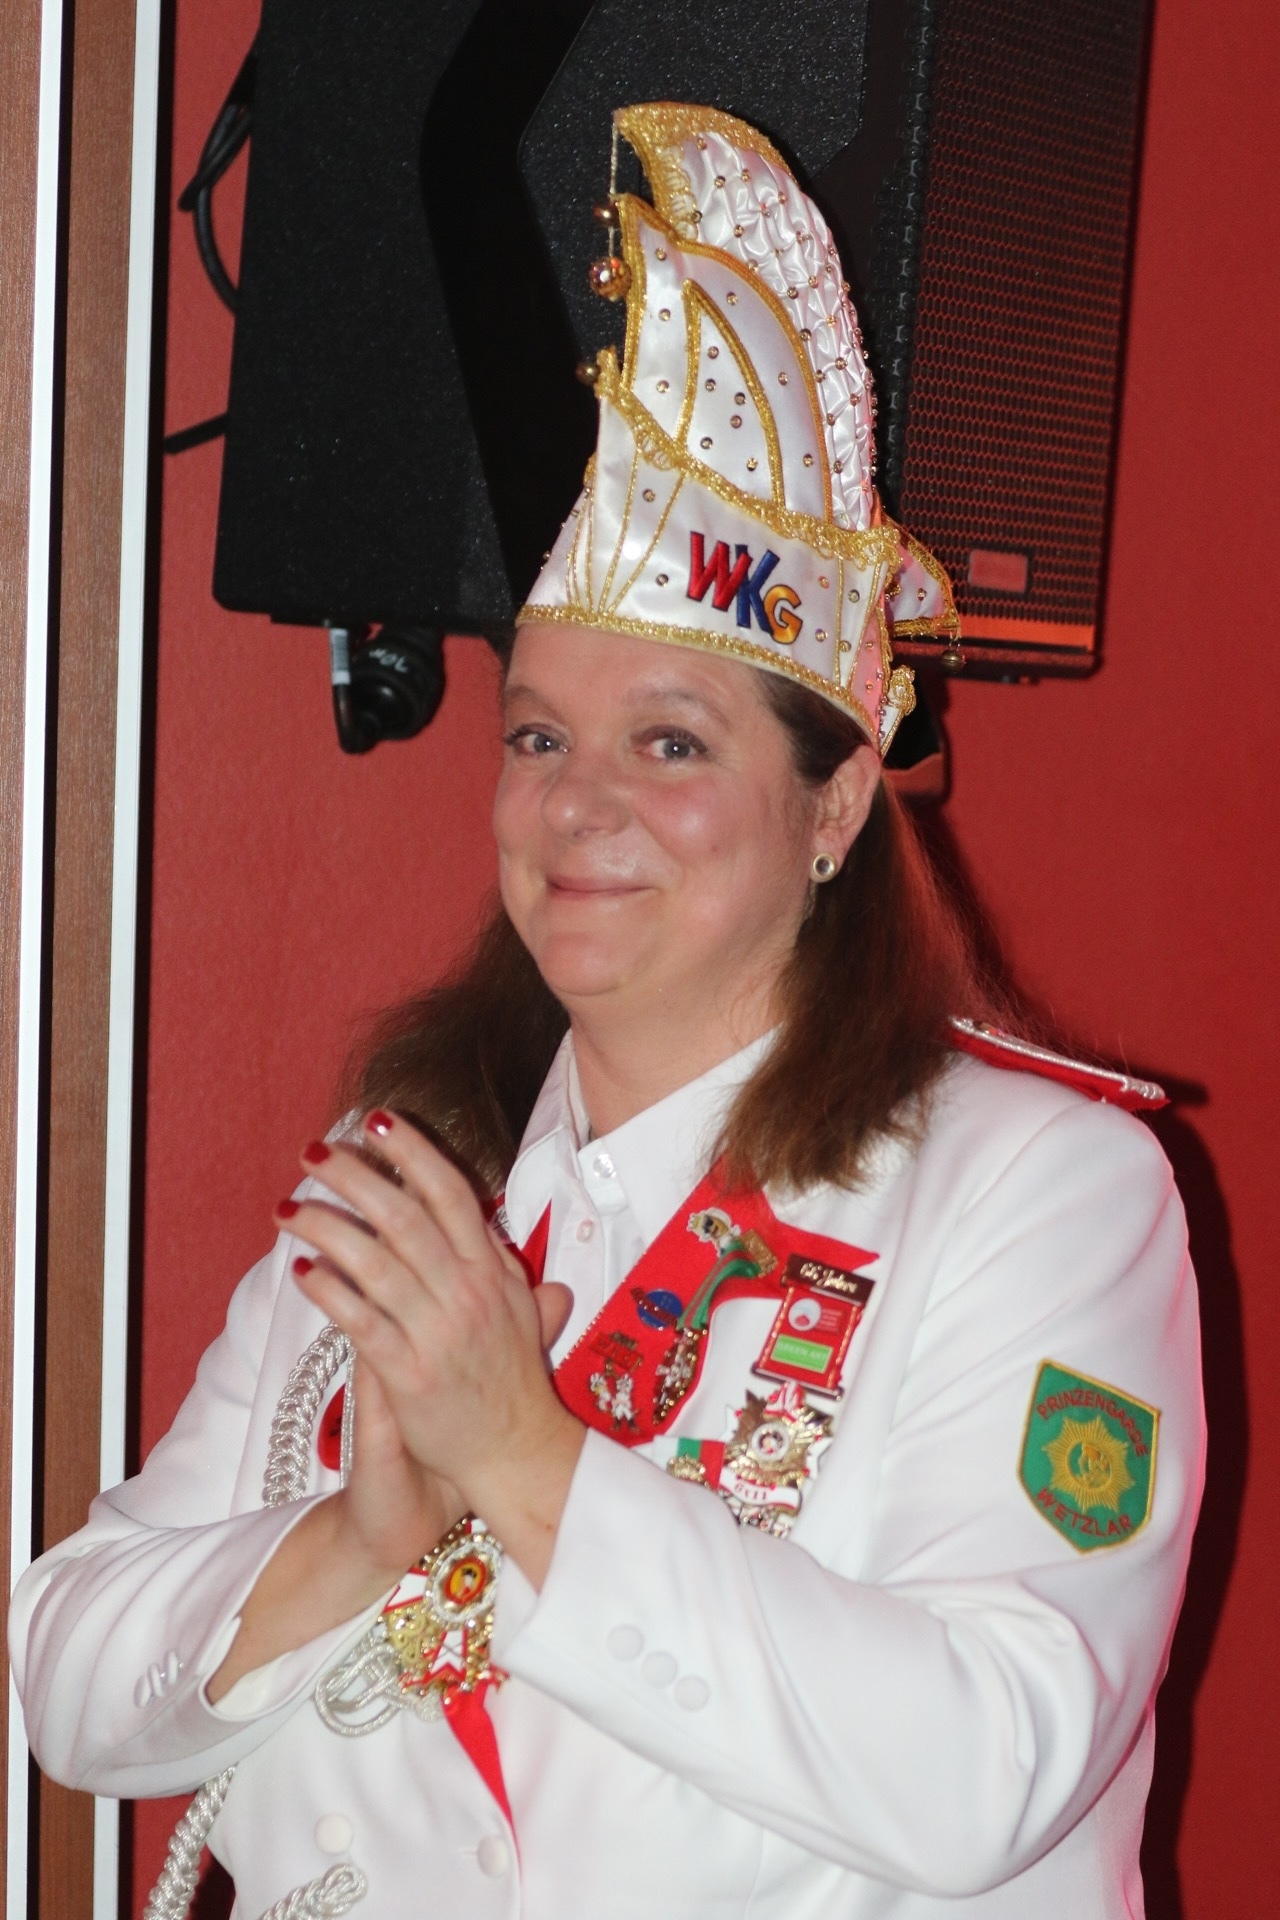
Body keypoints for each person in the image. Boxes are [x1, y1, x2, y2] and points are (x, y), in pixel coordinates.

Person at [11, 103, 1203, 1920]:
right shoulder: (413, 1186)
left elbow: (992, 1760)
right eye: (539, 738)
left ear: (835, 804)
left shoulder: (1044, 1192)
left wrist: (528, 1461)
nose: (579, 808)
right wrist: (354, 1534)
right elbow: (66, 1672)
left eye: (672, 744)